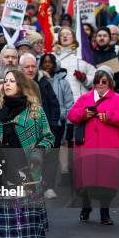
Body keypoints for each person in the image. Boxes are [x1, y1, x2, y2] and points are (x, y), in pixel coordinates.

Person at [0, 69, 54, 238]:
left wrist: (38, 151)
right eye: (5, 81)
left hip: (25, 173)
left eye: (12, 81)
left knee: (20, 222)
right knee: (0, 221)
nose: (7, 84)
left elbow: (48, 136)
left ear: (22, 85)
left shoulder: (35, 111)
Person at [67, 66, 119, 225]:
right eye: (97, 81)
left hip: (108, 146)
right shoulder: (85, 98)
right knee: (86, 180)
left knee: (106, 181)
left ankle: (105, 213)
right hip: (87, 146)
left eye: (104, 81)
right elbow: (71, 115)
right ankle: (86, 207)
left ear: (110, 82)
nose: (100, 84)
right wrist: (83, 114)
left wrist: (109, 116)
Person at [39, 53, 75, 198]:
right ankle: (38, 184)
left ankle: (50, 186)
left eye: (50, 62)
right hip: (39, 124)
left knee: (52, 156)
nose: (48, 65)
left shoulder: (63, 83)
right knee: (38, 154)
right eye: (45, 62)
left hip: (56, 125)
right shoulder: (37, 81)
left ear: (55, 65)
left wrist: (62, 116)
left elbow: (69, 104)